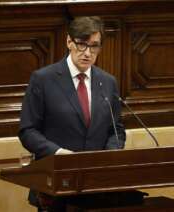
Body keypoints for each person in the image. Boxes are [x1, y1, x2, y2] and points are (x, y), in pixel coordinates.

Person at [18, 16, 126, 211]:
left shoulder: (107, 82)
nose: (87, 53)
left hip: (98, 187)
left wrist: (110, 156)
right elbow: (28, 130)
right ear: (69, 42)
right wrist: (60, 154)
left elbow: (116, 129)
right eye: (81, 45)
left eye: (94, 46)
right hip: (55, 186)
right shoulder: (43, 79)